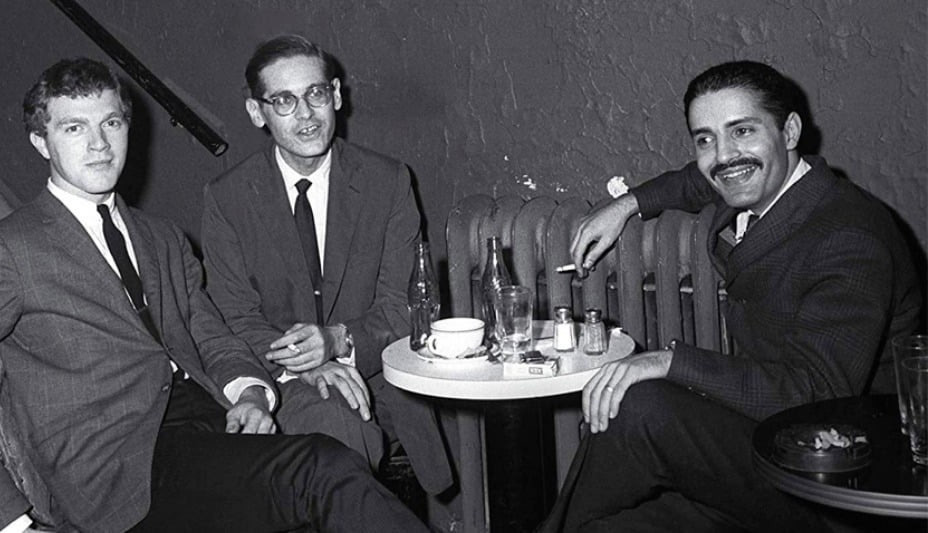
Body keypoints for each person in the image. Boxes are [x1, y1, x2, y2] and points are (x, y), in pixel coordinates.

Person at [0, 57, 428, 533]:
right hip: (120, 472)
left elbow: (211, 335)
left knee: (330, 456)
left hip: (211, 427)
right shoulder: (8, 248)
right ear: (41, 142)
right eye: (74, 128)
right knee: (320, 469)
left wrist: (252, 393)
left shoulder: (160, 237)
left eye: (111, 123)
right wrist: (8, 522)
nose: (99, 144)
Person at [542, 61, 922, 531]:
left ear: (790, 131)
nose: (723, 156)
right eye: (705, 139)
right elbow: (697, 179)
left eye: (742, 131)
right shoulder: (767, 182)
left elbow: (816, 392)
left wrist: (668, 361)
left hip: (839, 482)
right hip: (768, 444)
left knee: (643, 407)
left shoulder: (850, 238)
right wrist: (626, 205)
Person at [200, 35, 452, 497]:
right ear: (256, 112)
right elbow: (234, 317)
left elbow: (407, 307)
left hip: (378, 378)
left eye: (315, 93)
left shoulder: (387, 181)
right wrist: (305, 364)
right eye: (284, 100)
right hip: (282, 384)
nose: (306, 114)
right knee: (333, 428)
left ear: (335, 95)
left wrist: (336, 341)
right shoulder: (228, 198)